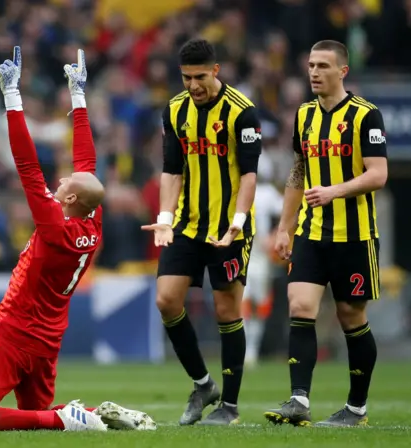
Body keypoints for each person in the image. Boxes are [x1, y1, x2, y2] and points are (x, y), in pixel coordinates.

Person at [0, 47, 156, 432]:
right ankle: (91, 416)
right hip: (47, 340)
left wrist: (11, 97)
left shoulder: (53, 226)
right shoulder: (92, 223)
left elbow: (26, 163)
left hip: (14, 333)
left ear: (71, 199)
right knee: (31, 423)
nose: (59, 180)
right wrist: (78, 97)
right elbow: (87, 162)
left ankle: (64, 418)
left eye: (65, 183)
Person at [264, 40, 388, 428]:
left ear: (342, 71)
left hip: (355, 235)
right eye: (311, 65)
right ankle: (299, 400)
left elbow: (379, 174)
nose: (314, 72)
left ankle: (356, 408)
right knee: (300, 306)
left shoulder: (366, 116)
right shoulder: (303, 116)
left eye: (323, 66)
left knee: (352, 316)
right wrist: (285, 227)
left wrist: (334, 190)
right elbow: (297, 172)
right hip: (312, 233)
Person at [141, 38, 262, 426]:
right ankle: (203, 383)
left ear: (216, 71)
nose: (192, 85)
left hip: (229, 227)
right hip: (188, 225)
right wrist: (164, 215)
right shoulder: (175, 111)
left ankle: (229, 406)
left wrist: (237, 224)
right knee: (166, 300)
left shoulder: (242, 113)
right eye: (186, 77)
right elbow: (172, 170)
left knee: (227, 309)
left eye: (199, 77)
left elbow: (249, 175)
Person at [243, 153, 283, 367]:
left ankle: (252, 350)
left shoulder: (267, 193)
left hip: (260, 256)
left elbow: (288, 211)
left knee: (259, 304)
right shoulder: (235, 189)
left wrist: (277, 233)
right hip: (240, 251)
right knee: (242, 301)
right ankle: (244, 349)